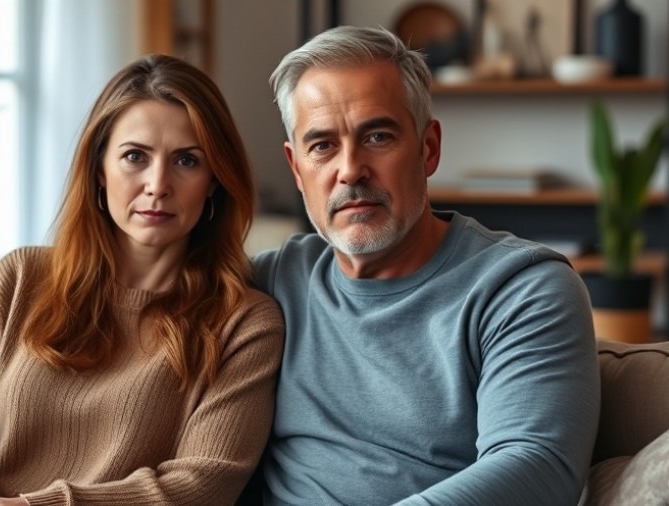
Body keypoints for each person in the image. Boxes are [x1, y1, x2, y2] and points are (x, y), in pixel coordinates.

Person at [0, 54, 284, 506]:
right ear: (99, 170)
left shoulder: (246, 323)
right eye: (134, 157)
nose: (157, 184)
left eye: (187, 161)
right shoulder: (22, 278)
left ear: (215, 181)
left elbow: (204, 483)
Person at [248, 25, 600, 505]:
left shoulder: (522, 289)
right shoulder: (270, 282)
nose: (349, 169)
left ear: (428, 148)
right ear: (296, 169)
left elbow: (536, 466)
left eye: (377, 136)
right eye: (323, 146)